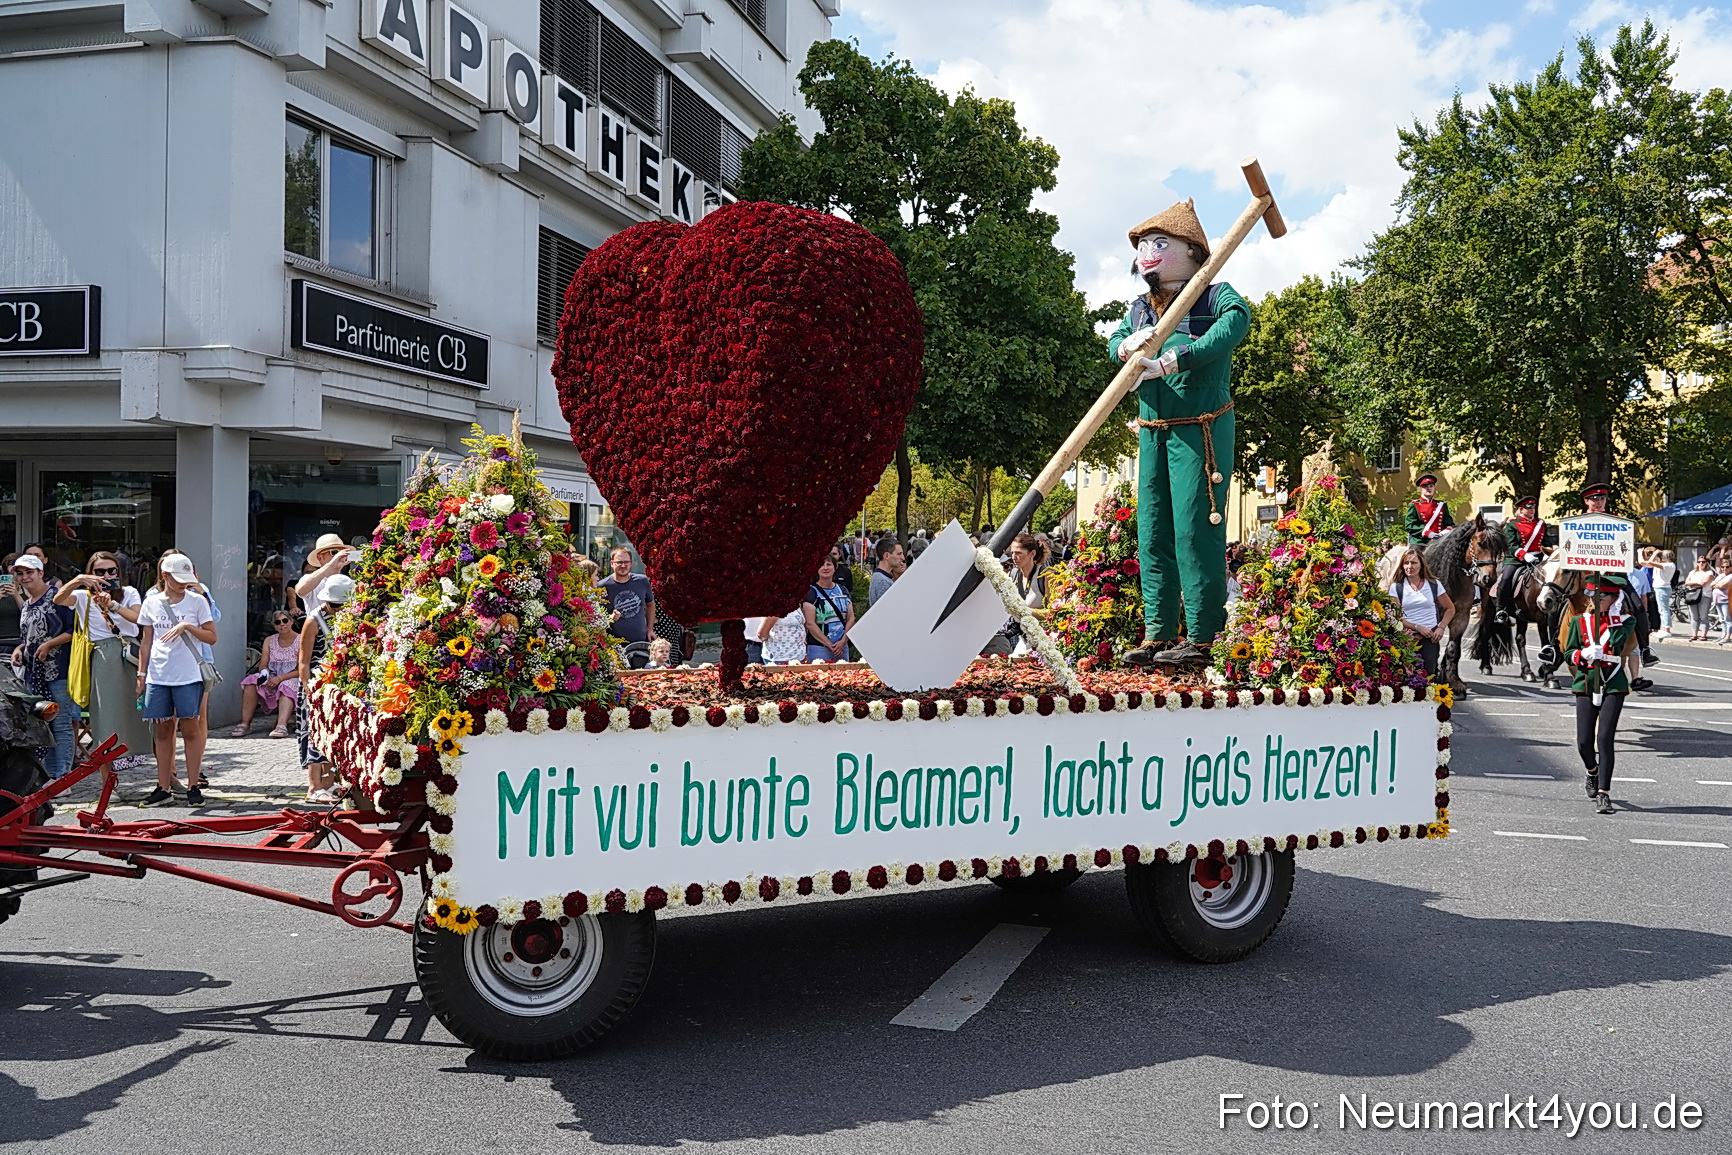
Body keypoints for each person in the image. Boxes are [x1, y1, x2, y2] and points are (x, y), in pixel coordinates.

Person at [1108, 200, 1250, 668]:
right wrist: (1123, 347)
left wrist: (1176, 359)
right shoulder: (1138, 309)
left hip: (1200, 430)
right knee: (1152, 532)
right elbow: (1114, 342)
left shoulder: (1212, 295)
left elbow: (1237, 323)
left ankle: (1206, 634)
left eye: (1159, 243)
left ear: (1192, 251)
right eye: (1143, 245)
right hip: (1152, 430)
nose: (1147, 252)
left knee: (1195, 528)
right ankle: (1158, 632)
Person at [53, 552, 151, 767]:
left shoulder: (128, 592)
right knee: (105, 717)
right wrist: (78, 580)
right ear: (91, 574)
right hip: (102, 654)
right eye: (99, 572)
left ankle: (164, 777)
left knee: (142, 714)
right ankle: (108, 778)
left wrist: (113, 605)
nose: (106, 575)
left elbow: (139, 618)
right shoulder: (82, 596)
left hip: (130, 653)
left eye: (111, 571)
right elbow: (58, 599)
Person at [136, 554, 216, 806]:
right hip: (159, 675)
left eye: (187, 579)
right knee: (162, 731)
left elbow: (212, 637)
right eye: (178, 579)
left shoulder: (197, 601)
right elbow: (146, 641)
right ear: (164, 576)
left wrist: (187, 627)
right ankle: (163, 785)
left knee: (190, 730)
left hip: (189, 674)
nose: (183, 584)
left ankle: (193, 786)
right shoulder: (151, 602)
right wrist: (141, 673)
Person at [1566, 573, 1636, 815]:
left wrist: (1615, 616)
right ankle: (1592, 771)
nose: (1595, 599)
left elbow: (1618, 640)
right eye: (1591, 594)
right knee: (1584, 742)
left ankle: (1604, 793)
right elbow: (1570, 651)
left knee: (1604, 738)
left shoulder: (1626, 621)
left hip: (1613, 682)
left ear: (1614, 598)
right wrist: (1581, 655)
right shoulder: (1578, 621)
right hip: (1586, 681)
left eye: (1602, 595)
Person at [10, 555, 76, 778]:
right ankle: (47, 774)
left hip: (57, 670)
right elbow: (26, 636)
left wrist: (50, 643)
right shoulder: (26, 604)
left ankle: (63, 775)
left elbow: (73, 629)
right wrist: (19, 649)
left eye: (29, 572)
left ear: (40, 573)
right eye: (20, 573)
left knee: (61, 723)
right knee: (41, 725)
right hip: (34, 673)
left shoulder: (56, 597)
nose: (25, 577)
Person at [297, 575, 353, 805]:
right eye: (334, 605)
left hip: (340, 683)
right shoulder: (313, 620)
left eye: (341, 605)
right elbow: (303, 660)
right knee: (315, 733)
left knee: (336, 732)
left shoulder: (351, 618)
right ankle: (314, 787)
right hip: (318, 683)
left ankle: (328, 784)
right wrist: (308, 689)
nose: (337, 610)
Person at [1388, 547, 1454, 678]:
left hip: (1430, 638)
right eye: (1406, 563)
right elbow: (1395, 617)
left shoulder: (1434, 585)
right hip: (1406, 638)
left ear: (1421, 565)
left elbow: (1450, 608)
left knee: (1428, 676)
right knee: (1405, 677)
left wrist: (1441, 627)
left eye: (1413, 563)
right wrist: (1416, 627)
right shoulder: (1397, 587)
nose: (1409, 567)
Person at [233, 611, 301, 738]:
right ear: (274, 626)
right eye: (277, 622)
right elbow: (263, 663)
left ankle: (282, 725)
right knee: (251, 681)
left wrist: (280, 678)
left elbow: (302, 668)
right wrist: (264, 673)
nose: (282, 624)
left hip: (292, 677)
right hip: (272, 675)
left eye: (285, 621)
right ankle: (245, 724)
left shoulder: (301, 640)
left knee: (286, 685)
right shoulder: (269, 640)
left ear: (292, 621)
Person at [1494, 496, 1550, 625]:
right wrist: (1524, 555)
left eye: (1533, 507)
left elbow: (1546, 542)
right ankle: (1500, 610)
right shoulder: (1512, 524)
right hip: (1516, 559)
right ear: (1521, 509)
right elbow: (1511, 544)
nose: (1532, 510)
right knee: (1506, 578)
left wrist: (1548, 553)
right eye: (1528, 508)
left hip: (1538, 558)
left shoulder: (1540, 524)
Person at [997, 533, 1049, 656]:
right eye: (1012, 553)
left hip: (1044, 640)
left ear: (1032, 554)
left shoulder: (1046, 576)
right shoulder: (1012, 574)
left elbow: (1053, 613)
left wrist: (1025, 611)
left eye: (1019, 553)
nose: (1014, 557)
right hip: (1022, 638)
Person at [802, 558, 854, 662]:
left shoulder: (843, 590)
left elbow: (851, 618)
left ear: (835, 568)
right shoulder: (811, 592)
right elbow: (810, 623)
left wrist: (843, 641)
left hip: (842, 647)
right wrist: (829, 644)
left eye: (829, 564)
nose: (825, 568)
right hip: (819, 647)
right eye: (822, 565)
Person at [599, 547, 653, 644]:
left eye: (626, 562)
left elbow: (651, 604)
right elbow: (598, 617)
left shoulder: (642, 581)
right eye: (619, 562)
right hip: (615, 645)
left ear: (631, 563)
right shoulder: (603, 586)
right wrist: (610, 617)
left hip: (640, 641)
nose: (623, 565)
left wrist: (650, 629)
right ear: (612, 563)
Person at [293, 533, 356, 602]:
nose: (339, 556)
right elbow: (300, 591)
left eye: (342, 552)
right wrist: (331, 565)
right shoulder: (310, 579)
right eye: (334, 552)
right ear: (320, 558)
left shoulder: (349, 582)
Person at [1404, 473, 1455, 546]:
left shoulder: (1441, 505)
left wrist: (1445, 532)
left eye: (1431, 486)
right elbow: (1410, 525)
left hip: (1439, 542)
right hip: (1421, 542)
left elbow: (1449, 524)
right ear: (1420, 489)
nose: (1429, 488)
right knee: (1413, 556)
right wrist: (1429, 534)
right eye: (1425, 486)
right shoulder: (1414, 504)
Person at [1683, 554, 1716, 641]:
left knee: (1703, 616)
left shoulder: (1709, 573)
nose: (1701, 563)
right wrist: (1697, 582)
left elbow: (1703, 583)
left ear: (1707, 563)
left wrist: (1693, 583)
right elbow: (1686, 582)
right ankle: (1694, 635)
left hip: (1705, 595)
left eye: (1703, 562)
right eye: (1699, 562)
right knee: (1694, 616)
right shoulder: (1693, 572)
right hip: (1693, 595)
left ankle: (1703, 635)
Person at [868, 538, 905, 607]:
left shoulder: (881, 578)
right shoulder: (882, 581)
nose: (902, 558)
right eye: (899, 554)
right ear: (887, 556)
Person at [1652, 549, 1678, 637]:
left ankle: (1667, 629)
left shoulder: (1669, 565)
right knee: (1662, 609)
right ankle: (1663, 628)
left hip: (1662, 588)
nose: (1661, 557)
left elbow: (1649, 562)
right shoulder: (1664, 565)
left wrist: (1654, 554)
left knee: (1664, 609)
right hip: (1660, 588)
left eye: (1662, 555)